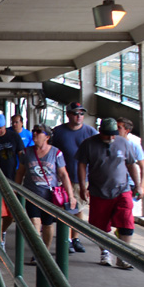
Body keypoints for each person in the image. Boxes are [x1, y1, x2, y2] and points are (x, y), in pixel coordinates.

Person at [77, 118, 141, 269]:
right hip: (99, 191)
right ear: (100, 132)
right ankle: (105, 251)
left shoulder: (123, 143)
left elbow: (131, 164)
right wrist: (82, 186)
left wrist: (138, 185)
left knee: (127, 223)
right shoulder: (88, 144)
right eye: (108, 134)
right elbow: (82, 165)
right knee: (100, 226)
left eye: (114, 134)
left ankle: (123, 256)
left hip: (122, 189)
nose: (111, 137)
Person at [15, 124, 77, 248]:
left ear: (47, 137)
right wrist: (16, 189)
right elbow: (20, 172)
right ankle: (38, 250)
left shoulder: (56, 153)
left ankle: (45, 250)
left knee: (47, 224)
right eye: (34, 131)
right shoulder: (26, 152)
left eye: (39, 132)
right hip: (31, 194)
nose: (35, 133)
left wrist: (71, 196)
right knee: (34, 221)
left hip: (49, 196)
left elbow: (63, 175)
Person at [50, 102, 97, 253]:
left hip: (83, 179)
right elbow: (50, 151)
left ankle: (75, 238)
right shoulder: (58, 132)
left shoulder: (90, 132)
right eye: (76, 113)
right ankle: (67, 239)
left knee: (79, 209)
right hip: (62, 178)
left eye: (82, 113)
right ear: (68, 115)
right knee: (66, 209)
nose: (79, 116)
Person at [117, 117, 144, 219]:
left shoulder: (134, 146)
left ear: (127, 130)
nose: (116, 129)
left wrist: (141, 186)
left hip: (129, 183)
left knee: (126, 210)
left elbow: (143, 167)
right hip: (115, 182)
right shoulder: (111, 144)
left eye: (119, 127)